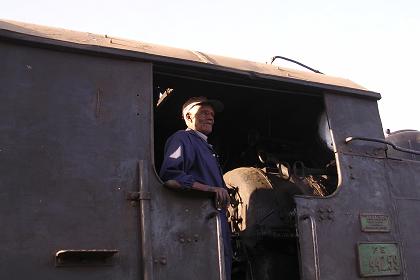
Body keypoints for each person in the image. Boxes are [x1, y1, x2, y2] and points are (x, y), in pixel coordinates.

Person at [159, 96, 232, 280]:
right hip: (197, 225)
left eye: (212, 115)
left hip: (214, 224)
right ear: (188, 117)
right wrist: (210, 190)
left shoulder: (207, 147)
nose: (210, 118)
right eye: (204, 113)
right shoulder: (182, 138)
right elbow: (171, 177)